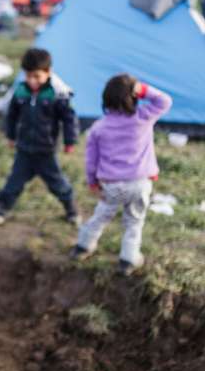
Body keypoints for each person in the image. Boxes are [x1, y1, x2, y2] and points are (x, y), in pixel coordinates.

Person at [70, 75, 172, 274]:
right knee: (134, 221)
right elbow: (165, 101)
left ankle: (83, 247)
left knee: (101, 215)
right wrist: (142, 89)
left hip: (112, 185)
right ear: (134, 97)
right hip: (140, 184)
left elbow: (91, 161)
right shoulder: (144, 118)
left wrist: (92, 183)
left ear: (105, 100)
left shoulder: (98, 128)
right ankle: (128, 259)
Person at [0, 48, 79, 227]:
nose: (32, 81)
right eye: (28, 76)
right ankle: (2, 208)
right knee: (13, 182)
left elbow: (69, 118)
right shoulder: (21, 91)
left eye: (37, 76)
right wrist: (11, 135)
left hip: (46, 151)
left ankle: (71, 210)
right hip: (24, 149)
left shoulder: (57, 93)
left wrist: (70, 141)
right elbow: (12, 115)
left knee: (58, 184)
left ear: (48, 72)